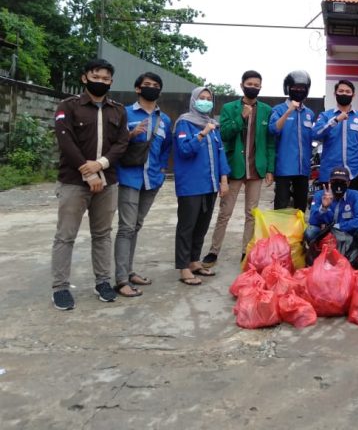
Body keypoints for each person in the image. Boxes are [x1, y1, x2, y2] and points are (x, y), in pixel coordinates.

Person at [51, 58, 129, 310]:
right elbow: (66, 141)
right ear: (85, 78)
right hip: (74, 182)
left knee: (103, 234)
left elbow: (122, 143)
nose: (101, 82)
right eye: (96, 77)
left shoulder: (118, 110)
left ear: (111, 82)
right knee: (65, 235)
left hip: (108, 182)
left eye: (106, 79)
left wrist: (101, 164)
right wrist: (88, 172)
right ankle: (60, 288)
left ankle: (103, 282)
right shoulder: (68, 106)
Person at [203, 71, 275, 267]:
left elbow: (270, 142)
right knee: (225, 212)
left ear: (261, 87)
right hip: (234, 167)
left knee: (251, 213)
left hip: (256, 168)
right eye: (249, 84)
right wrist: (241, 117)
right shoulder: (229, 108)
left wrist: (270, 168)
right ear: (242, 85)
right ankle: (213, 251)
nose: (253, 87)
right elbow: (224, 134)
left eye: (257, 85)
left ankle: (246, 251)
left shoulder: (266, 110)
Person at [114, 72, 172, 297]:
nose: (151, 88)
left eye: (156, 85)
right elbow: (113, 143)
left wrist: (161, 170)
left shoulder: (164, 119)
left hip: (152, 179)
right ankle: (121, 279)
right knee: (126, 228)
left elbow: (166, 147)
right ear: (138, 89)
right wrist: (130, 135)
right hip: (129, 177)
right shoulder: (124, 113)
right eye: (147, 84)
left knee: (136, 226)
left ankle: (129, 271)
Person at [173, 87, 230, 285]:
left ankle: (194, 261)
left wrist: (224, 179)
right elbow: (184, 150)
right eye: (201, 98)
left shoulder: (213, 124)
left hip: (210, 183)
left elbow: (221, 152)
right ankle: (183, 267)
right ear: (193, 100)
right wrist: (202, 134)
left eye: (208, 98)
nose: (205, 101)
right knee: (187, 226)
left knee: (202, 225)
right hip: (191, 184)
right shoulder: (184, 122)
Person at [304, 166, 358, 264]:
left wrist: (337, 227)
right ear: (329, 182)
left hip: (347, 236)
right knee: (310, 231)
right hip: (326, 236)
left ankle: (351, 252)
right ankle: (323, 252)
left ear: (348, 183)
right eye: (335, 181)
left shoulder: (355, 195)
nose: (339, 185)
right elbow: (312, 221)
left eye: (342, 182)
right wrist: (324, 208)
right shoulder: (320, 194)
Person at [270, 70, 314, 211]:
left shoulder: (309, 113)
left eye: (302, 88)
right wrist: (289, 111)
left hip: (303, 168)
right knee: (281, 206)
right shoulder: (278, 109)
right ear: (288, 88)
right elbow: (273, 130)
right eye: (295, 87)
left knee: (300, 207)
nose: (299, 91)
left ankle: (299, 227)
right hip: (284, 168)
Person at [312, 80, 358, 187]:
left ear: (353, 95)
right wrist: (335, 120)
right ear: (335, 94)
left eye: (348, 92)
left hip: (354, 173)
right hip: (329, 173)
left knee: (355, 198)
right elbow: (315, 134)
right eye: (341, 91)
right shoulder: (325, 116)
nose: (344, 94)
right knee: (328, 199)